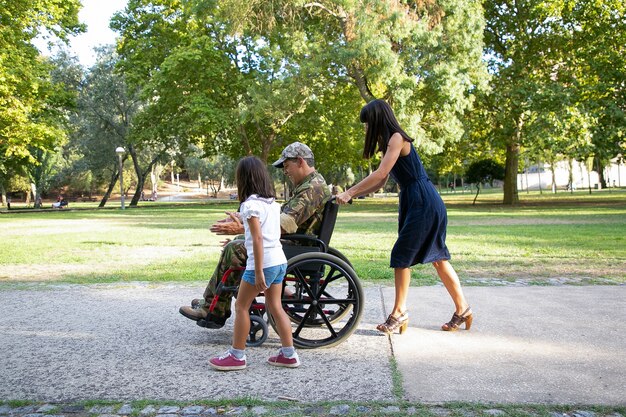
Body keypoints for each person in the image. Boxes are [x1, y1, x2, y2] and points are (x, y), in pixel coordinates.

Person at [336, 99, 472, 333]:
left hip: (423, 201)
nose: (366, 129)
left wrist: (350, 191)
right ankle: (463, 309)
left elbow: (380, 172)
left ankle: (399, 312)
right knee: (438, 259)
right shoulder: (390, 143)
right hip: (417, 200)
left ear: (378, 119)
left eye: (368, 123)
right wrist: (353, 195)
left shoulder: (397, 138)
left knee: (402, 255)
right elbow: (380, 182)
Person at [179, 142, 331, 328]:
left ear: (300, 161)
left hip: (295, 247)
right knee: (237, 244)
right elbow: (279, 218)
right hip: (292, 244)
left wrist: (244, 229)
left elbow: (285, 224)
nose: (285, 171)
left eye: (286, 165)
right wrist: (244, 221)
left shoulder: (312, 188)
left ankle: (213, 309)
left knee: (234, 248)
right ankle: (213, 303)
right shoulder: (311, 184)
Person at [209, 156, 299, 371]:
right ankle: (289, 354)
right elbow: (265, 233)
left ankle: (237, 356)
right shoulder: (273, 205)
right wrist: (240, 222)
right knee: (276, 306)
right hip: (279, 261)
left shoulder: (249, 205)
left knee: (241, 306)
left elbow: (258, 238)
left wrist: (258, 272)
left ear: (244, 179)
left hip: (263, 263)